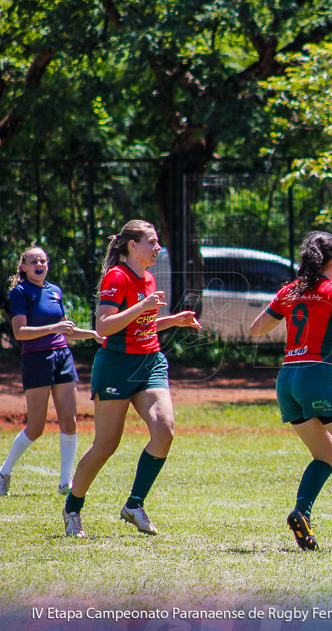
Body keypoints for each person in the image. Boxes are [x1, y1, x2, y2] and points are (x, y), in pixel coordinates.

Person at [248, 231, 332, 550]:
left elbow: (256, 329)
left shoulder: (290, 290)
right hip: (318, 375)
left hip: (287, 379)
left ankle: (302, 512)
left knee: (324, 455)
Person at [62, 221, 202, 538]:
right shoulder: (117, 276)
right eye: (151, 242)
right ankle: (72, 508)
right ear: (131, 246)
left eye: (157, 242)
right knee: (106, 444)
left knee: (164, 431)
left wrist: (173, 320)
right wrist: (142, 305)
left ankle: (134, 505)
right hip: (116, 366)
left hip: (150, 362)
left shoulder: (148, 277)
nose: (157, 248)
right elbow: (104, 327)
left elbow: (142, 325)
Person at [0, 247, 101, 497]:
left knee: (69, 421)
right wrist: (53, 326)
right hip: (36, 359)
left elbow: (65, 330)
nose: (40, 264)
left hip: (62, 356)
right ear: (23, 267)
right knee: (36, 427)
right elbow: (20, 333)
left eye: (43, 260)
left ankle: (65, 483)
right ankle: (4, 472)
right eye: (34, 261)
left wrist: (95, 335)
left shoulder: (54, 290)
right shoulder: (20, 292)